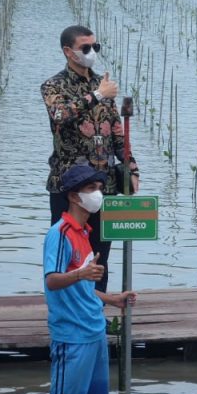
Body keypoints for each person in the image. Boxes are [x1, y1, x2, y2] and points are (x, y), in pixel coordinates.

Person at [42, 24, 140, 294]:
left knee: (100, 256)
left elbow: (118, 133)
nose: (92, 52)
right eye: (85, 48)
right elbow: (59, 115)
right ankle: (67, 312)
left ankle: (98, 312)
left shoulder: (102, 83)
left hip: (103, 185)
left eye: (95, 47)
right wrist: (97, 96)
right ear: (68, 52)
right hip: (68, 185)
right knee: (67, 256)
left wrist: (132, 168)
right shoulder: (54, 85)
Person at [43, 165, 136, 394]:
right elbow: (51, 281)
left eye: (100, 189)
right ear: (74, 196)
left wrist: (110, 299)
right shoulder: (60, 233)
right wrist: (80, 274)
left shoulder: (85, 232)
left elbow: (82, 288)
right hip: (72, 336)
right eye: (91, 189)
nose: (98, 195)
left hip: (95, 331)